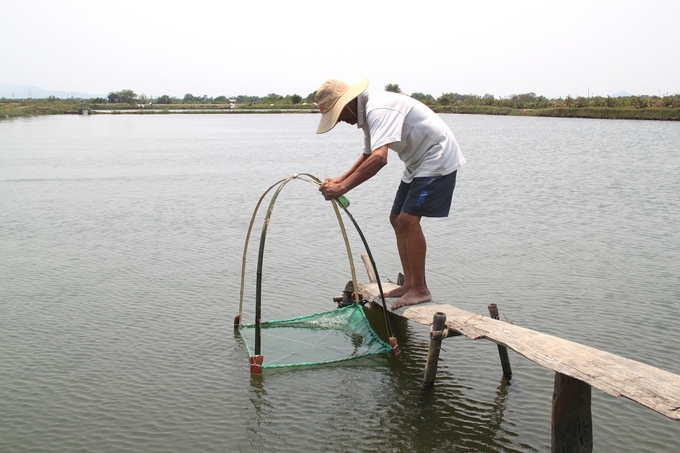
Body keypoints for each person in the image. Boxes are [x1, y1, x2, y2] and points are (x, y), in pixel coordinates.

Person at [315, 79, 466, 309]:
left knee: (408, 220)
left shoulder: (378, 110)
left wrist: (342, 188)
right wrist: (340, 179)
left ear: (347, 104)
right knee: (396, 219)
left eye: (339, 115)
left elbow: (379, 159)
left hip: (437, 156)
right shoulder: (367, 115)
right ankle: (409, 284)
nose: (341, 121)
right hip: (416, 162)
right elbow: (368, 154)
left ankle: (421, 289)